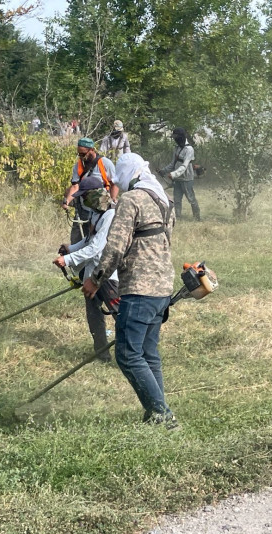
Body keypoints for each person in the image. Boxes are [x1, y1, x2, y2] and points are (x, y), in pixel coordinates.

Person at [82, 152, 178, 428]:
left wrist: (96, 279)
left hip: (139, 287)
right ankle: (155, 413)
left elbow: (115, 246)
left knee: (127, 354)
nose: (117, 183)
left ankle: (163, 415)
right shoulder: (164, 200)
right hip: (162, 286)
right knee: (147, 353)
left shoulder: (132, 200)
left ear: (128, 174)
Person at [53, 176, 119, 362]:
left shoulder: (111, 215)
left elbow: (96, 247)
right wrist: (71, 248)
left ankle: (132, 353)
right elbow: (89, 239)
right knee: (94, 315)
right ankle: (101, 354)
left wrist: (68, 259)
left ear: (96, 194)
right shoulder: (96, 213)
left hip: (107, 274)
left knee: (120, 315)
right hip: (91, 273)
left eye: (85, 196)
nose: (83, 201)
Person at [62, 137, 118, 244]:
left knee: (95, 239)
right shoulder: (78, 166)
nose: (81, 157)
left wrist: (113, 199)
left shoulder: (105, 163)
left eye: (83, 154)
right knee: (76, 239)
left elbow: (114, 183)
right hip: (83, 208)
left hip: (100, 209)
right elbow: (75, 186)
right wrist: (67, 201)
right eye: (79, 154)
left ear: (92, 150)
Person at [159, 127, 201, 221]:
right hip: (177, 179)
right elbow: (173, 164)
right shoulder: (177, 148)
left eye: (175, 137)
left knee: (191, 198)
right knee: (177, 199)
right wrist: (163, 171)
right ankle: (177, 217)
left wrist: (173, 174)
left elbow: (184, 166)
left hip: (186, 178)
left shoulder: (189, 149)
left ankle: (197, 217)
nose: (174, 139)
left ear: (180, 137)